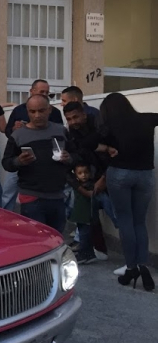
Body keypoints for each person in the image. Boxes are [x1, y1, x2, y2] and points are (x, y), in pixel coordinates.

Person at [98, 93, 158, 291]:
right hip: (145, 175)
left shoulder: (108, 127)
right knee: (139, 221)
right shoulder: (147, 118)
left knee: (125, 220)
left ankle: (131, 267)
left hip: (120, 174)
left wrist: (106, 147)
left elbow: (87, 143)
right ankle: (143, 266)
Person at [2, 95, 72, 232]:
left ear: (49, 110)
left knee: (56, 240)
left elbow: (75, 156)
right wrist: (18, 161)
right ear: (27, 111)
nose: (37, 115)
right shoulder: (18, 135)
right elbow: (6, 163)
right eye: (32, 112)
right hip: (31, 197)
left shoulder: (61, 131)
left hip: (57, 195)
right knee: (37, 241)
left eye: (41, 110)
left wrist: (69, 158)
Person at [63, 101, 117, 261]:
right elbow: (72, 162)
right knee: (84, 217)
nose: (73, 122)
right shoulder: (71, 133)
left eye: (76, 117)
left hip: (110, 178)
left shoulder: (101, 127)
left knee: (120, 218)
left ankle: (133, 262)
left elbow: (115, 155)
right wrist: (80, 188)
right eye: (69, 119)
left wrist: (104, 179)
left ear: (84, 114)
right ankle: (89, 251)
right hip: (87, 183)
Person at [1, 79, 64, 210]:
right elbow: (7, 131)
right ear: (32, 91)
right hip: (22, 159)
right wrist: (14, 129)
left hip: (48, 168)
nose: (37, 115)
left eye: (47, 92)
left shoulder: (55, 112)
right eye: (42, 91)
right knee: (8, 191)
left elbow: (61, 138)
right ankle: (5, 220)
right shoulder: (19, 110)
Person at [68, 160, 98, 265]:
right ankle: (89, 254)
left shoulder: (88, 186)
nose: (83, 175)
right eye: (80, 173)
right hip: (81, 215)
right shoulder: (79, 185)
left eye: (86, 172)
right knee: (84, 234)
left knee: (84, 235)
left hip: (85, 215)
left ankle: (83, 254)